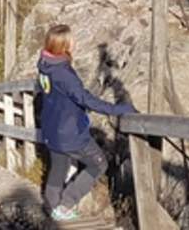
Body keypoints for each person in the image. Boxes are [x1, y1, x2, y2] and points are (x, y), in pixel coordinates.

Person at [36, 23, 136, 222]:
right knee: (98, 163)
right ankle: (65, 205)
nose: (75, 42)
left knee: (58, 167)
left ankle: (51, 206)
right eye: (71, 40)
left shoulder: (45, 65)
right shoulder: (63, 73)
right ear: (64, 45)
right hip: (69, 133)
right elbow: (85, 99)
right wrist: (118, 109)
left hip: (52, 130)